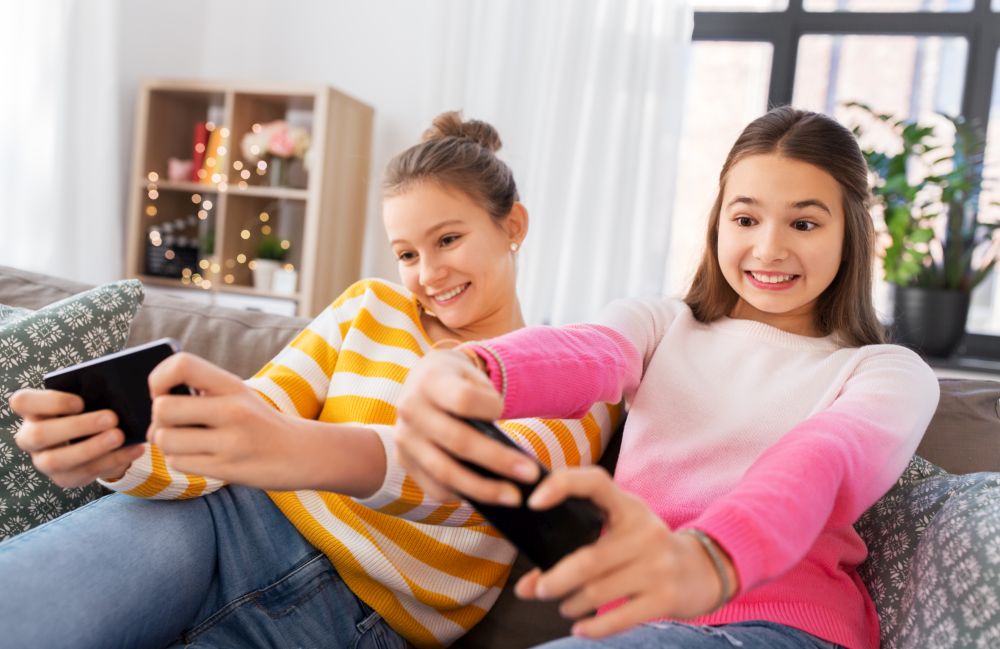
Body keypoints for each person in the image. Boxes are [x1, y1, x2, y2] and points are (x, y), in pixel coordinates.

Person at [3, 111, 620, 649]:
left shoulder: (572, 370)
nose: (427, 274)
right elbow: (251, 416)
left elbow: (501, 494)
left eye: (448, 240)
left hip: (354, 614)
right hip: (225, 518)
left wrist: (289, 449)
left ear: (512, 226)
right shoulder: (369, 309)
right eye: (406, 253)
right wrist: (123, 457)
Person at [391, 106, 940, 649]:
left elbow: (824, 461)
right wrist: (467, 367)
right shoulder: (660, 325)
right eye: (745, 219)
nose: (769, 248)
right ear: (717, 222)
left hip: (787, 629)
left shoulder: (886, 373)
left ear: (851, 233)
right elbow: (586, 352)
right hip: (640, 630)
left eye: (804, 223)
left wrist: (711, 557)